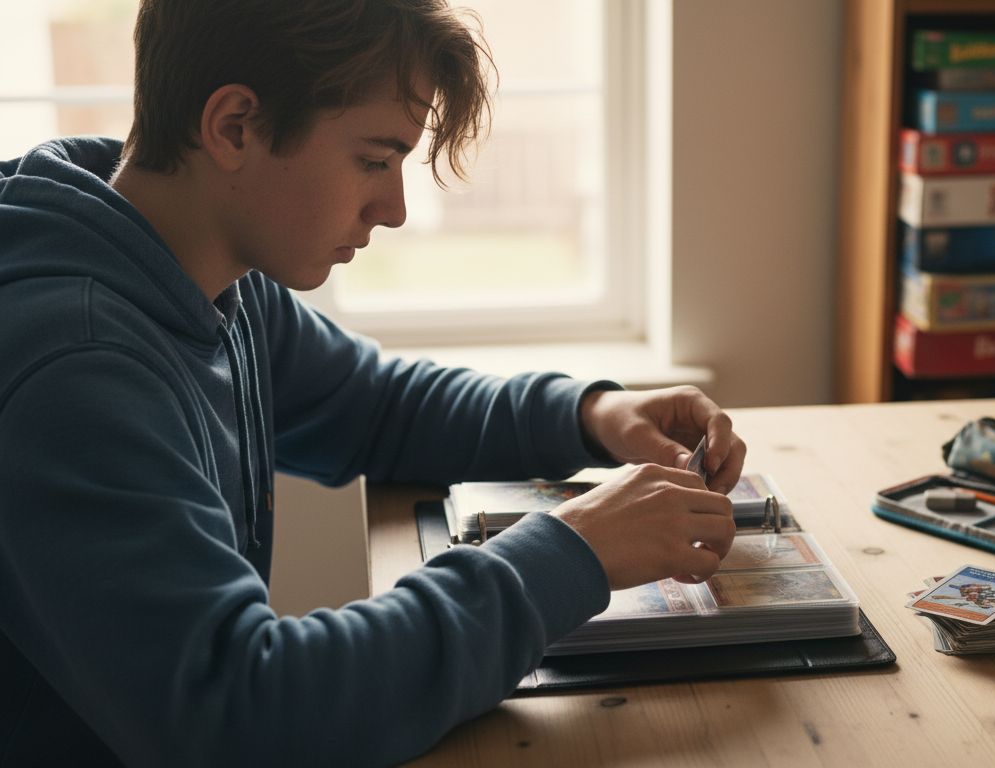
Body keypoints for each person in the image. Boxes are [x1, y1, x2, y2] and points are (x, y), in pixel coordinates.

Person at [0, 1, 746, 765]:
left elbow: (376, 405)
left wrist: (593, 415)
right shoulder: (76, 372)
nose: (394, 210)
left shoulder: (195, 265)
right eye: (374, 160)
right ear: (235, 127)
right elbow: (246, 714)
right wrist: (572, 552)